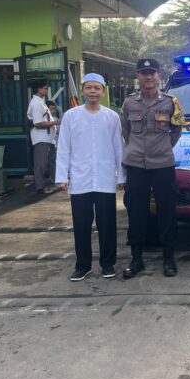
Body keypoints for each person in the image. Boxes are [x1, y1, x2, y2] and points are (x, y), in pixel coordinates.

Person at [55, 73, 125, 281]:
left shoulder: (111, 117)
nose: (93, 91)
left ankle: (108, 264)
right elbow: (63, 147)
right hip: (80, 179)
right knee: (81, 225)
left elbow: (119, 148)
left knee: (107, 225)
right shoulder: (71, 116)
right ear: (83, 90)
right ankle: (83, 265)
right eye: (89, 87)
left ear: (103, 91)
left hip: (104, 178)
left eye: (97, 88)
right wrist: (62, 175)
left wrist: (121, 176)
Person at [120, 58, 185, 278]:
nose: (148, 77)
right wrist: (137, 149)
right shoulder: (129, 103)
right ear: (138, 76)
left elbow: (176, 130)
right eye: (143, 73)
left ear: (158, 76)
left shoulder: (171, 102)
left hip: (163, 164)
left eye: (152, 73)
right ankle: (136, 259)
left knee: (167, 210)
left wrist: (163, 148)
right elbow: (126, 130)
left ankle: (169, 258)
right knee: (136, 210)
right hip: (136, 165)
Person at [27, 78, 59, 194]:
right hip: (41, 138)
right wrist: (56, 122)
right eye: (45, 88)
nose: (47, 90)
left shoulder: (41, 102)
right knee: (41, 163)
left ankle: (58, 181)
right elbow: (38, 124)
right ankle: (40, 187)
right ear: (39, 89)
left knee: (52, 161)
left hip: (48, 138)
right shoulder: (36, 103)